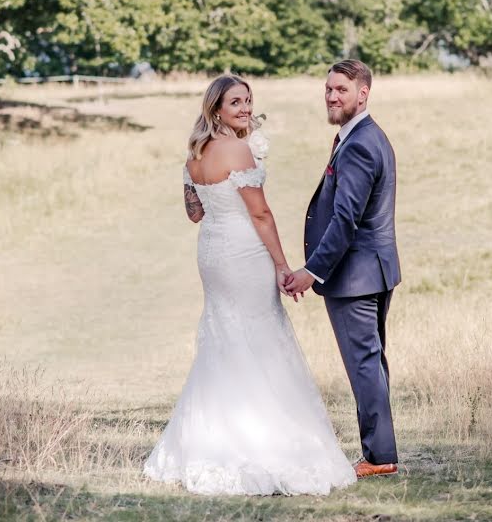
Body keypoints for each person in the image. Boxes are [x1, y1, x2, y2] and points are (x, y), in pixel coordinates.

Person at [144, 74, 356, 495]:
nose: (244, 108)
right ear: (216, 109)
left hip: (211, 253)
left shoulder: (195, 155)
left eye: (247, 100)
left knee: (224, 334)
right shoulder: (237, 149)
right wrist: (282, 266)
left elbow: (194, 214)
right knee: (259, 334)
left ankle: (208, 440)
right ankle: (262, 440)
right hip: (244, 252)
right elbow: (260, 215)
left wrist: (196, 180)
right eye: (235, 102)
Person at [285, 60, 401, 478]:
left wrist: (310, 271)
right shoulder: (359, 137)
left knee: (364, 364)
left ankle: (379, 457)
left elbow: (345, 220)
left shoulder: (361, 144)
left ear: (363, 94)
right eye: (329, 90)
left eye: (342, 90)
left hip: (354, 276)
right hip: (372, 271)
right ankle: (380, 451)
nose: (333, 97)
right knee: (370, 362)